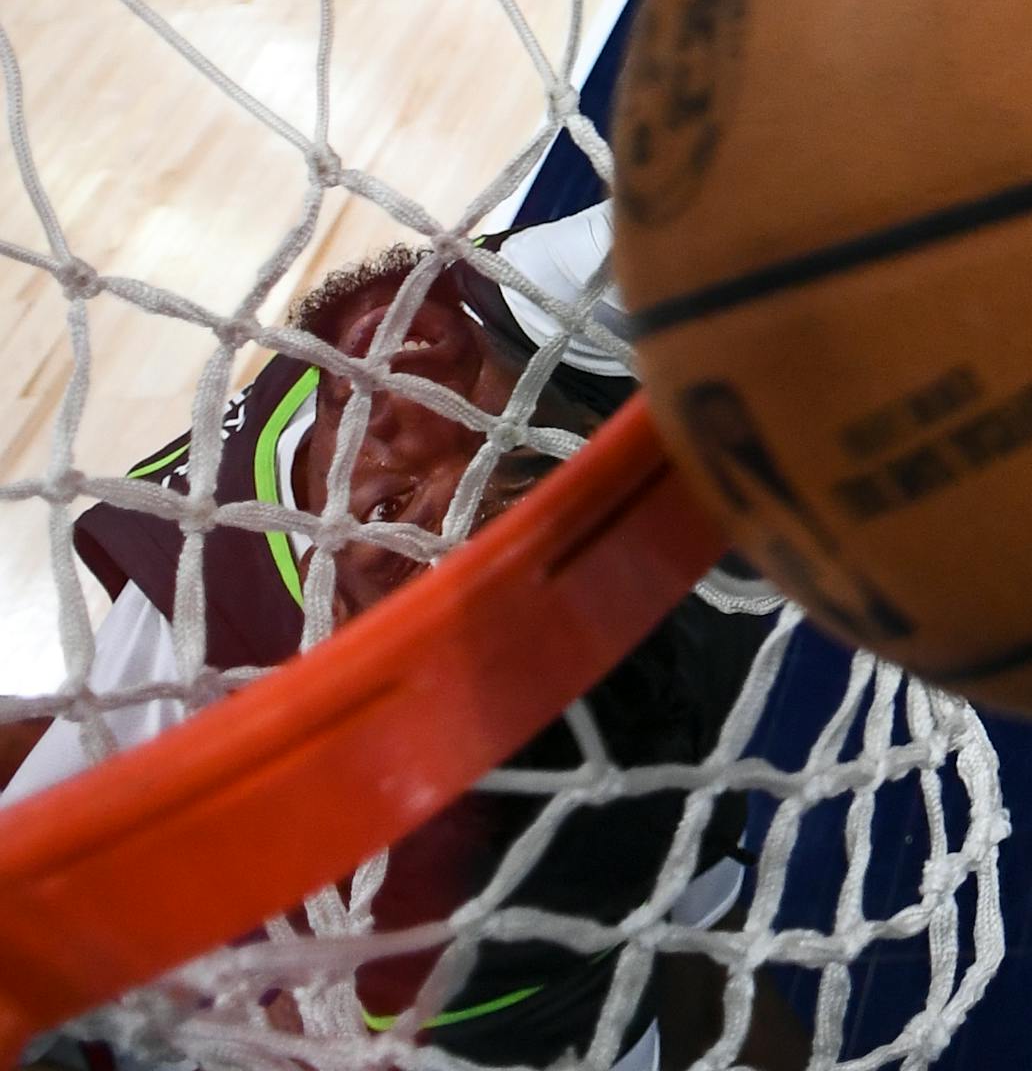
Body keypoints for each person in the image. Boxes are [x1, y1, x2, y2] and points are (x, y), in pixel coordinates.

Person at [0, 201, 804, 1071]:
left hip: (493, 954)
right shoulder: (554, 322)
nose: (399, 429)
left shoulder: (203, 652)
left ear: (338, 630)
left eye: (392, 513)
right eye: (513, 463)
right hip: (647, 752)